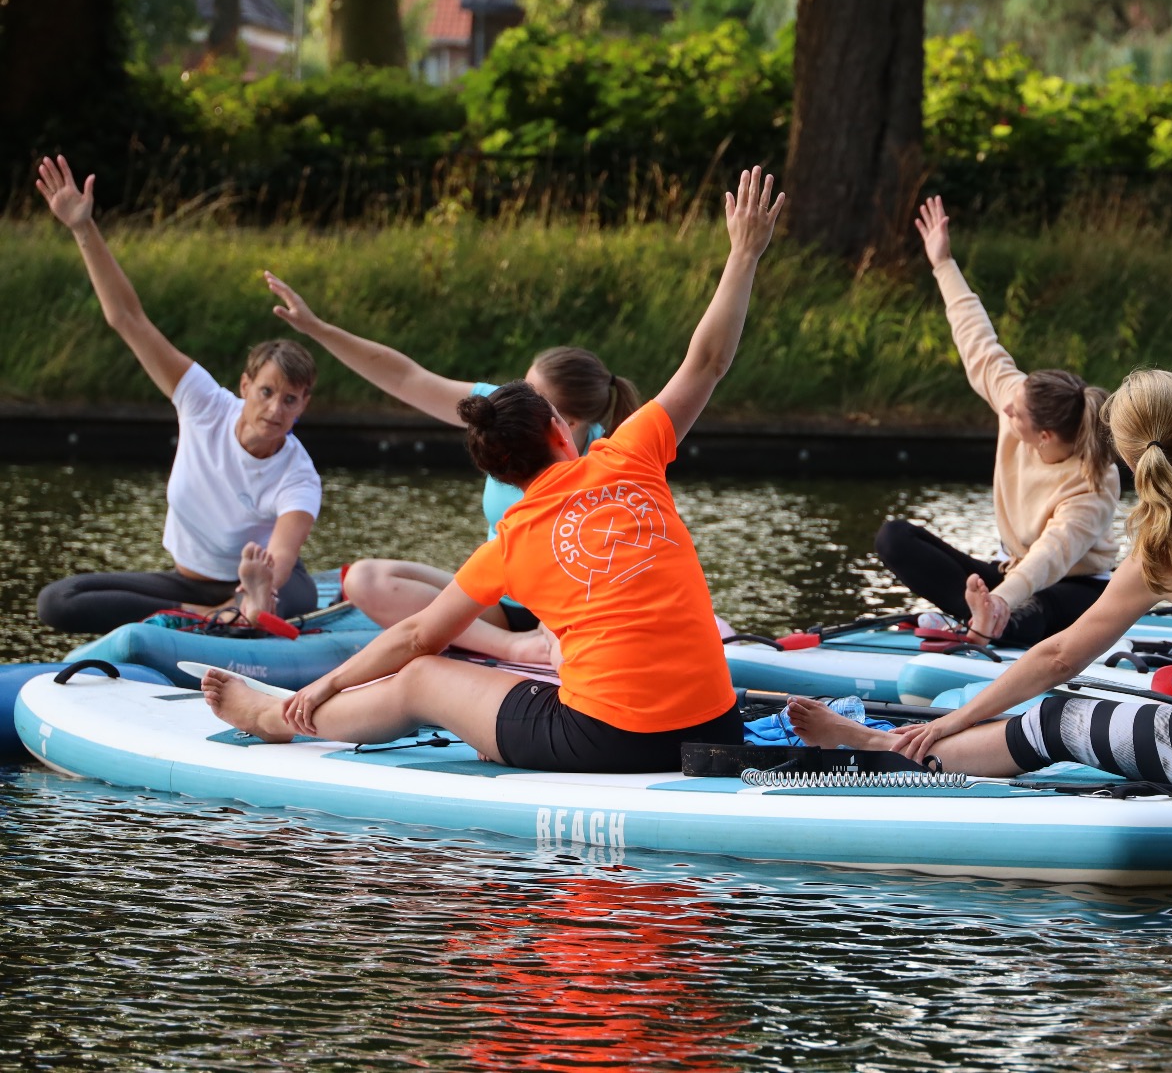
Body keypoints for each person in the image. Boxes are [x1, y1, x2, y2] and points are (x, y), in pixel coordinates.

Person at [791, 190, 1172, 793]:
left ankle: (889, 748)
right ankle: (895, 741)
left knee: (1060, 718)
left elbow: (1059, 659)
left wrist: (953, 718)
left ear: (1129, 461)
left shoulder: (1163, 549)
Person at [200, 167, 786, 772]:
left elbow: (415, 640)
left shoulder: (510, 541)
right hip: (715, 724)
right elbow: (708, 361)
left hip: (609, 741)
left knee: (421, 678)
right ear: (559, 429)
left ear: (503, 476)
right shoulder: (631, 452)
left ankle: (273, 718)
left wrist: (324, 685)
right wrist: (743, 253)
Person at [268, 277, 640, 661]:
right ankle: (513, 647)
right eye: (522, 386)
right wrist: (318, 328)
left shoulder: (609, 460)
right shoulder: (501, 412)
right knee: (365, 579)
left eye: (533, 396)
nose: (517, 398)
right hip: (500, 602)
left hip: (566, 605)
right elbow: (406, 378)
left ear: (567, 423)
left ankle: (544, 646)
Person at [31, 156, 323, 634]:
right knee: (58, 601)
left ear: (303, 405)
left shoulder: (298, 475)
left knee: (287, 593)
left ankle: (238, 611)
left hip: (258, 581)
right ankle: (203, 618)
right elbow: (127, 319)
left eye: (290, 400)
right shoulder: (203, 401)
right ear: (245, 386)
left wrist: (258, 588)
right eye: (267, 392)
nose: (275, 409)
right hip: (185, 583)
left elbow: (283, 557)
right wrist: (83, 228)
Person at [872, 195, 1120, 647]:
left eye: (1015, 413)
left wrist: (1001, 600)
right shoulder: (1018, 401)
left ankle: (991, 621)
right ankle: (981, 620)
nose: (1005, 410)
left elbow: (1050, 556)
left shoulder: (1095, 481)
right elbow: (978, 341)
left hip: (1077, 589)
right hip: (1011, 572)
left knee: (1035, 609)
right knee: (894, 538)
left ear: (1044, 435)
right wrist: (943, 263)